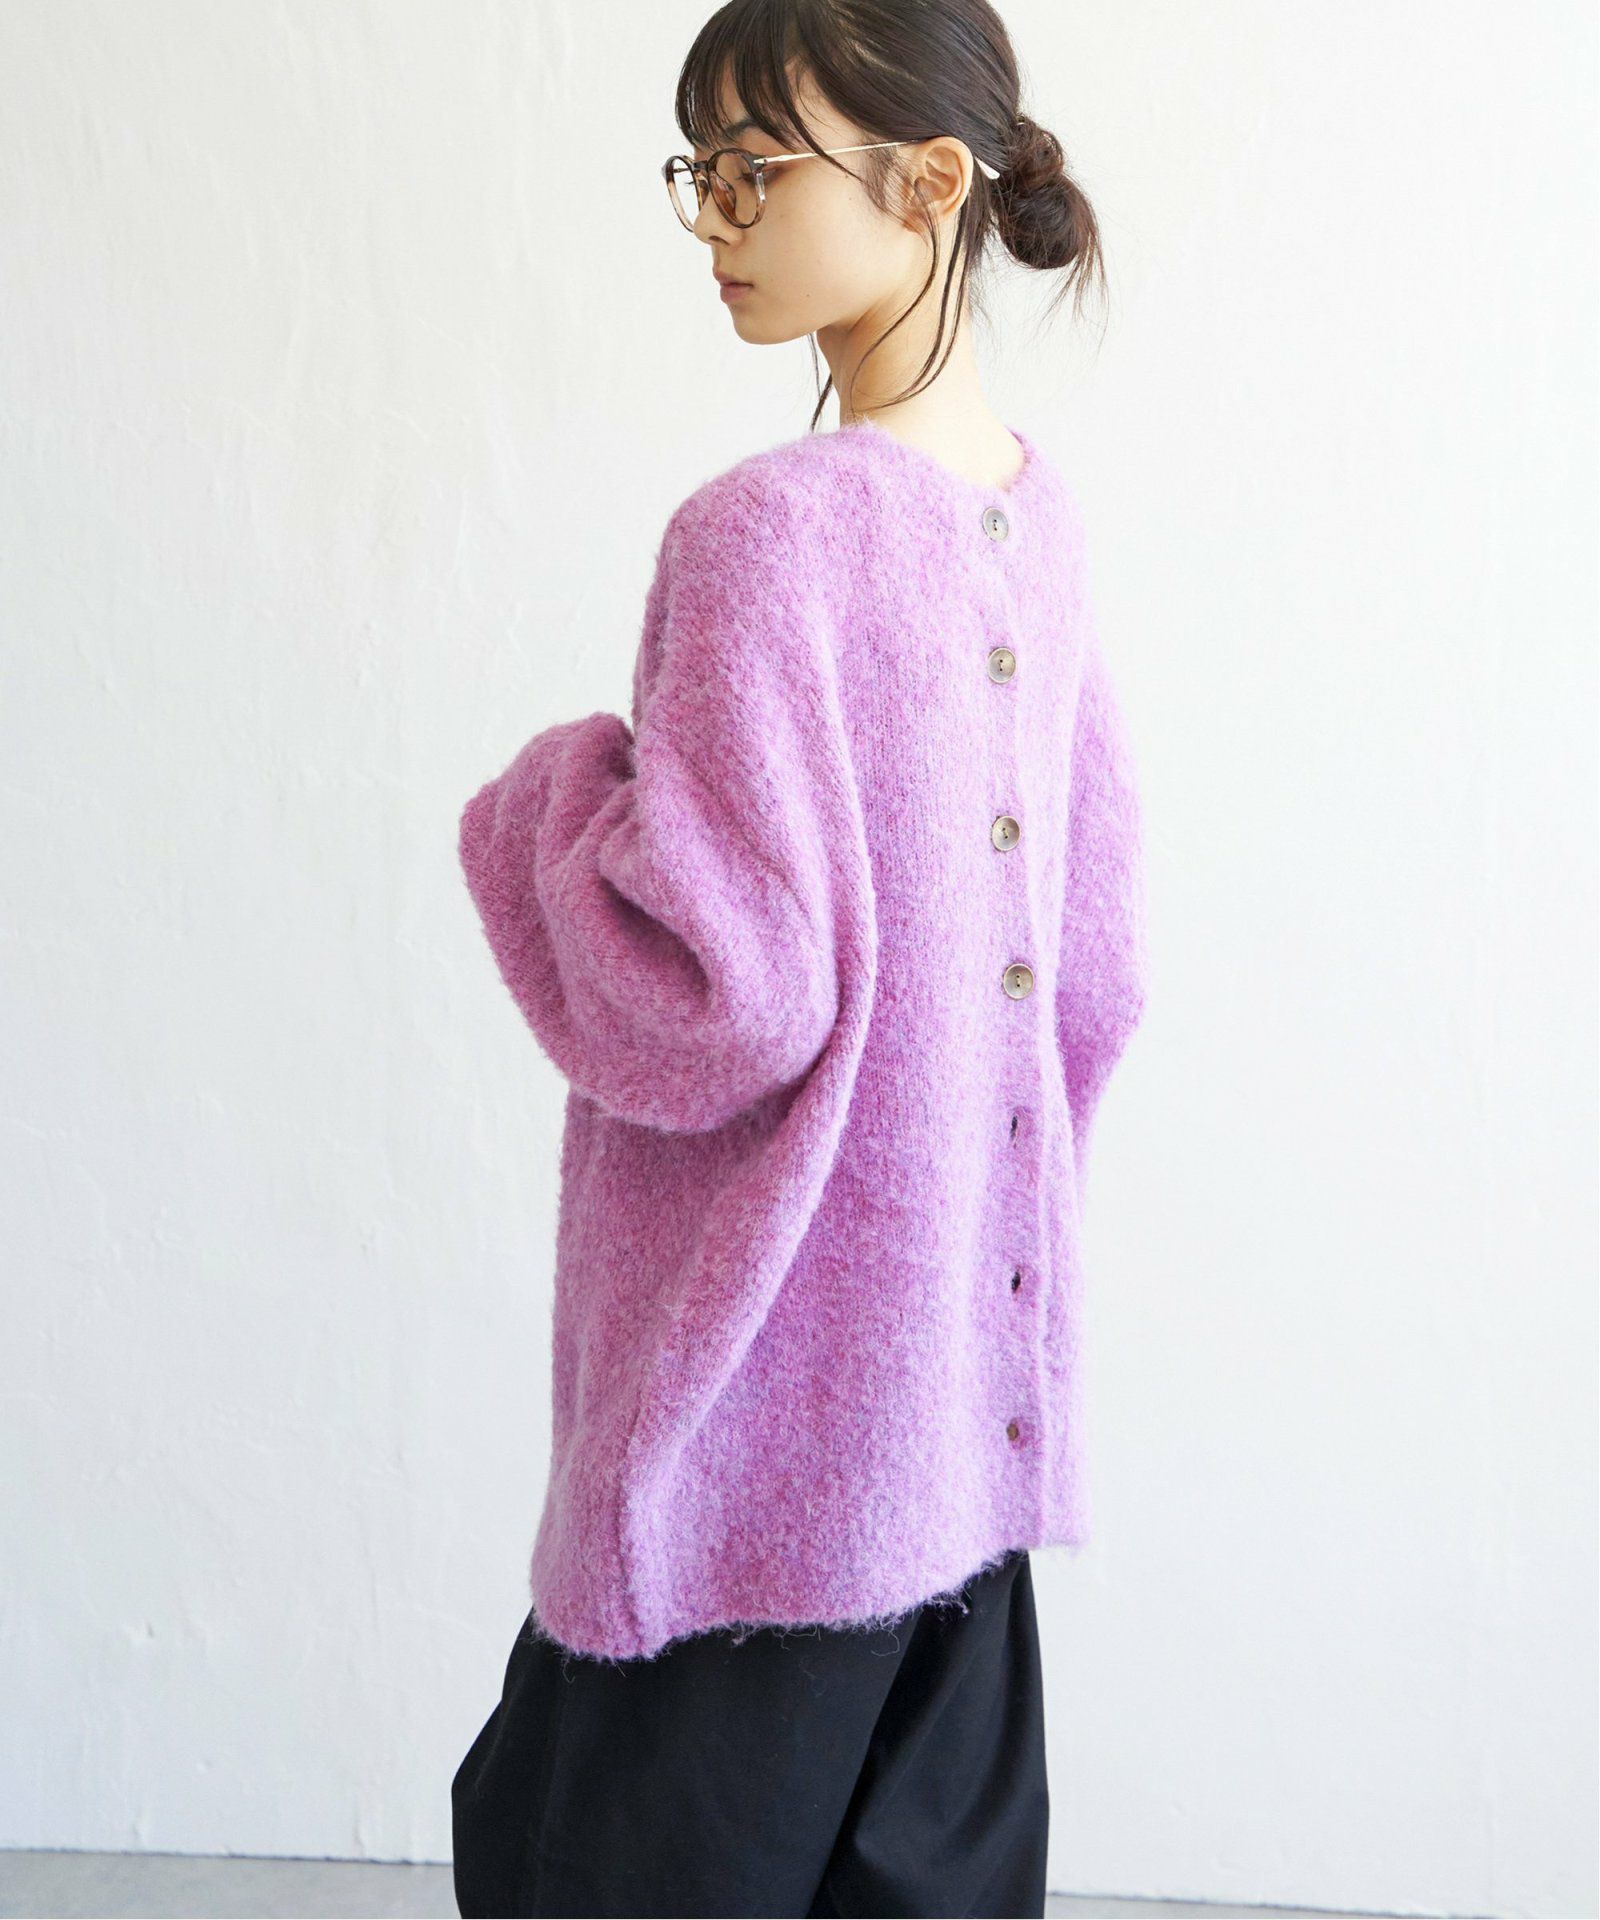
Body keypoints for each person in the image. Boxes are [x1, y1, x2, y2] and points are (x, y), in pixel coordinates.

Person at [451, 0, 1150, 1913]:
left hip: (746, 1455)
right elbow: (1097, 976)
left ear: (929, 186)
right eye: (702, 172)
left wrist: (543, 805)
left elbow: (709, 1003)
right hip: (957, 1434)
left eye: (760, 171)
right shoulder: (1038, 520)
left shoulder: (762, 533)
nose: (718, 220)